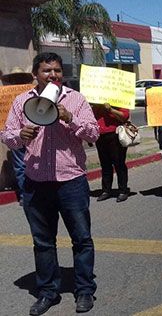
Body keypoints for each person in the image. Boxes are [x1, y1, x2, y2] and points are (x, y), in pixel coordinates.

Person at [0, 52, 99, 315]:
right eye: (46, 70)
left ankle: (84, 290)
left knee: (81, 239)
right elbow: (7, 136)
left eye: (56, 70)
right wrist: (19, 135)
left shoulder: (75, 99)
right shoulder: (22, 101)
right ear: (36, 74)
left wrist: (70, 118)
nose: (52, 74)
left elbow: (93, 133)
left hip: (71, 182)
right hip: (36, 182)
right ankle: (48, 292)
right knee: (43, 241)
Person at [1, 67, 35, 205]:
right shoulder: (4, 95)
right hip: (15, 134)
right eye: (16, 78)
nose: (17, 80)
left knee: (32, 164)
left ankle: (31, 194)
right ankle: (25, 196)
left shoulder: (33, 92)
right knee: (21, 166)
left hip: (33, 133)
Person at [92, 103, 130, 202]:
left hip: (115, 135)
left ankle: (123, 190)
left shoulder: (117, 98)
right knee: (105, 165)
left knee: (119, 164)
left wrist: (111, 110)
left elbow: (125, 116)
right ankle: (106, 190)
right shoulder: (96, 102)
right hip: (100, 136)